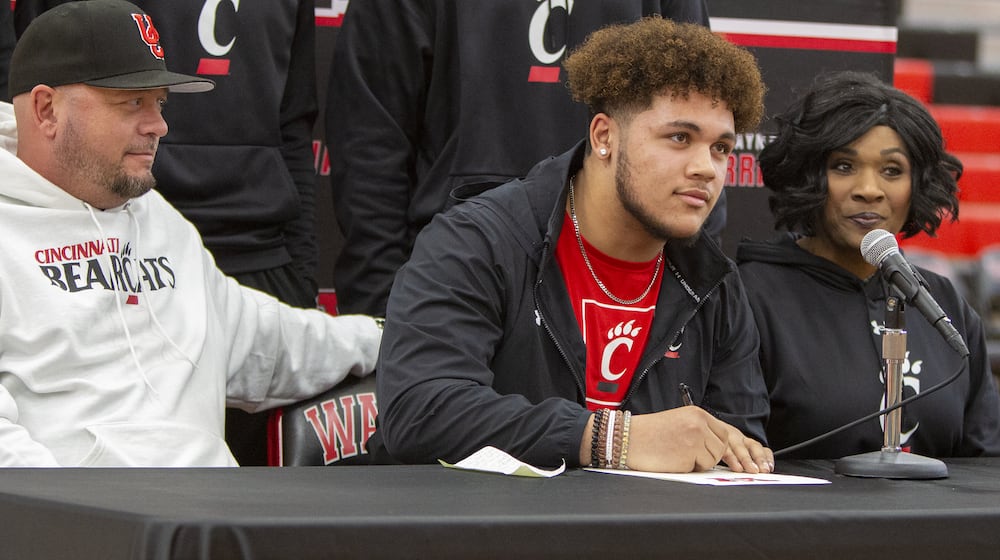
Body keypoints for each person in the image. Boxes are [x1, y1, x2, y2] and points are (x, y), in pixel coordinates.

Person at [373, 17, 773, 474]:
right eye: (679, 138)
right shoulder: (475, 242)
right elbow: (420, 410)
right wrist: (609, 438)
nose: (706, 167)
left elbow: (738, 450)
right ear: (604, 137)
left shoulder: (714, 283)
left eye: (721, 147)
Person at [0, 0, 380, 467]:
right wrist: (88, 527)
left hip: (209, 519)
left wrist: (395, 336)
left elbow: (270, 341)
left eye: (159, 102)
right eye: (131, 102)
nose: (158, 125)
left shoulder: (159, 221)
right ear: (45, 109)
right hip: (81, 528)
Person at [327, 0, 728, 318]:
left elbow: (701, 121)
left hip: (619, 287)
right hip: (454, 282)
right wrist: (383, 309)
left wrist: (689, 303)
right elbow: (369, 142)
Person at [736, 71, 1000, 459]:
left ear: (917, 185)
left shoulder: (943, 302)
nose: (869, 189)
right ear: (811, 176)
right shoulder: (749, 296)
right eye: (844, 166)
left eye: (892, 171)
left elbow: (985, 464)